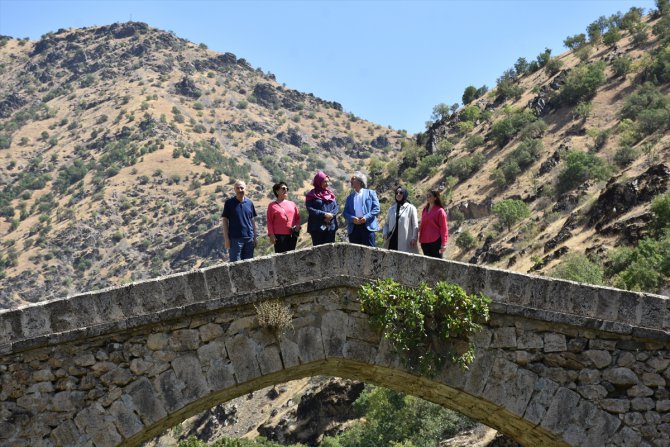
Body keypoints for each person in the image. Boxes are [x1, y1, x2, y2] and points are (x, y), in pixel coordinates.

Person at [221, 179, 257, 262]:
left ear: (245, 188)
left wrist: (255, 237)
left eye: (242, 188)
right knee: (235, 265)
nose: (240, 190)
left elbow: (253, 221)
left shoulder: (250, 203)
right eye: (237, 188)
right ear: (234, 189)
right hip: (235, 240)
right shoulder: (229, 203)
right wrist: (226, 239)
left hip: (249, 239)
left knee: (249, 264)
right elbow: (225, 221)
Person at [343, 171, 380, 246]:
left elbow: (376, 208)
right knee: (355, 253)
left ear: (360, 181)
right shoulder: (349, 197)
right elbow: (345, 213)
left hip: (367, 226)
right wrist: (352, 218)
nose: (351, 181)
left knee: (370, 252)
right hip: (354, 228)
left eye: (353, 179)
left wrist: (366, 217)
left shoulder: (371, 193)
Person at [266, 181, 301, 253]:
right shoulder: (272, 205)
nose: (286, 190)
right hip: (279, 236)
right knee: (281, 258)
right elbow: (269, 221)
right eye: (283, 188)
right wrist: (271, 235)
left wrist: (298, 227)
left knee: (291, 256)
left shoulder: (292, 204)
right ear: (277, 191)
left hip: (292, 235)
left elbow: (298, 217)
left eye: (287, 189)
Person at [382, 186, 419, 253]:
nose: (398, 194)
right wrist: (384, 233)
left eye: (401, 193)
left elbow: (415, 224)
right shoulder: (391, 209)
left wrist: (414, 238)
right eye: (396, 193)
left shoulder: (411, 208)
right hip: (392, 240)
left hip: (405, 241)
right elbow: (386, 224)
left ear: (405, 194)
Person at [306, 171, 339, 246]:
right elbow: (310, 209)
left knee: (330, 250)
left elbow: (336, 206)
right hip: (317, 227)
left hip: (331, 226)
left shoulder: (330, 194)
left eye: (328, 182)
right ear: (318, 181)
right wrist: (324, 214)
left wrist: (331, 215)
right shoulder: (311, 195)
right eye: (324, 182)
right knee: (318, 251)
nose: (327, 184)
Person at [419, 190, 448, 258]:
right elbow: (422, 225)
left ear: (435, 198)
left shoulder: (440, 211)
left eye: (430, 196)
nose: (428, 197)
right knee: (427, 264)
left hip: (436, 242)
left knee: (437, 264)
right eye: (427, 196)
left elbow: (444, 228)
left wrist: (444, 244)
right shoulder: (425, 210)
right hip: (424, 242)